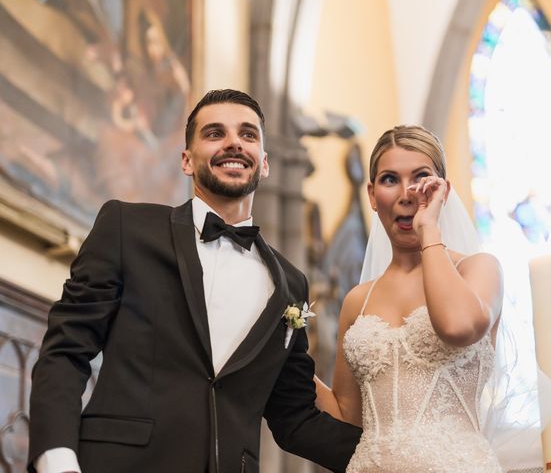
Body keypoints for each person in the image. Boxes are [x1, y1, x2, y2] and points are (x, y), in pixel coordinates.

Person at [28, 89, 361, 473]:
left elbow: (296, 418)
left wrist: (395, 455)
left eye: (248, 134)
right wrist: (57, 460)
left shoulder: (291, 284)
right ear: (187, 160)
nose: (234, 142)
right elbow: (65, 352)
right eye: (215, 133)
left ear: (264, 163)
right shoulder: (127, 229)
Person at [314, 125, 504, 472]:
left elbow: (458, 326)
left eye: (421, 178)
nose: (407, 194)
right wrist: (285, 356)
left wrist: (428, 228)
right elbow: (346, 416)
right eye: (390, 180)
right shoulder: (358, 299)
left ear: (444, 191)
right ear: (372, 195)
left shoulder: (479, 269)